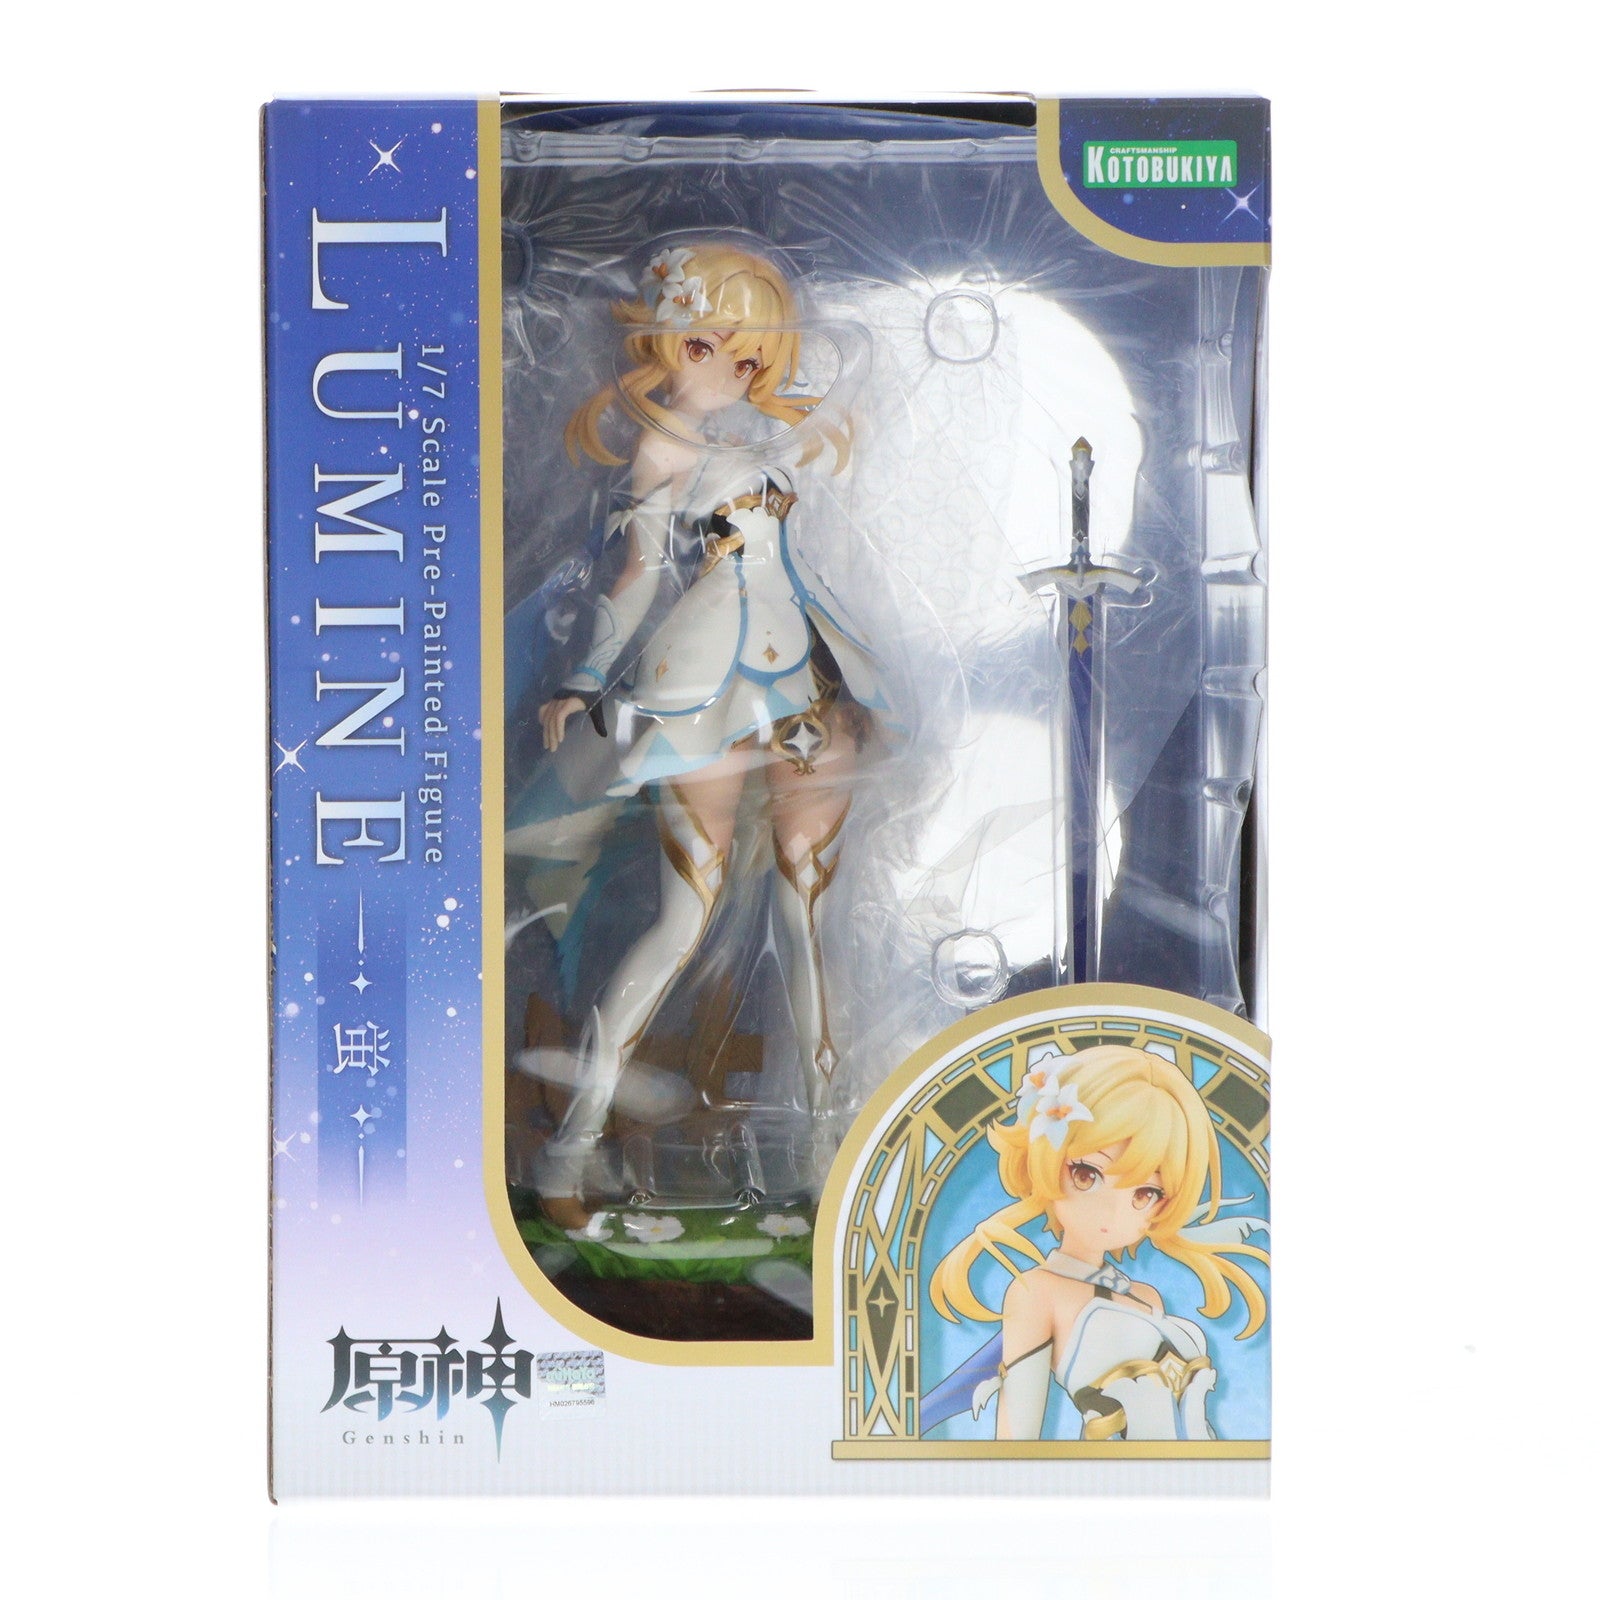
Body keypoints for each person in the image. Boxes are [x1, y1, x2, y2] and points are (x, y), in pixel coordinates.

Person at [525, 240, 885, 1223]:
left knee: (807, 924)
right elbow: (637, 576)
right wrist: (584, 680)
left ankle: (828, 1152)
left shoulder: (766, 445)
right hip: (703, 691)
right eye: (706, 344)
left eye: (751, 355)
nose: (731, 368)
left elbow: (812, 501)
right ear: (662, 340)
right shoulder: (663, 451)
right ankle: (570, 1148)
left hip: (804, 688)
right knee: (683, 923)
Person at [926, 1043, 1268, 1441]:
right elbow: (1017, 1440)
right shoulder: (1037, 1292)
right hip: (1110, 1475)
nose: (1111, 1211)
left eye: (1145, 1193)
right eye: (1087, 1175)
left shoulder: (1146, 1296)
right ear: (1048, 1161)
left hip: (1203, 1470)